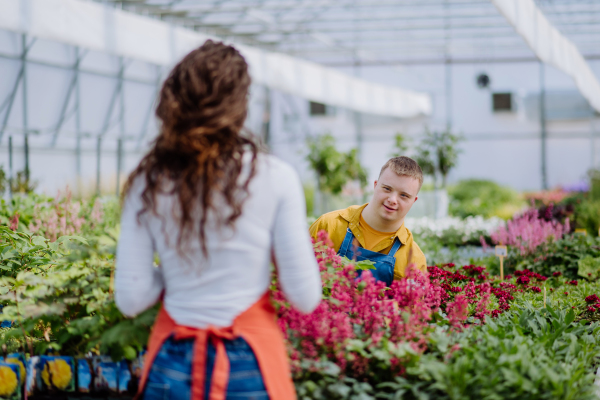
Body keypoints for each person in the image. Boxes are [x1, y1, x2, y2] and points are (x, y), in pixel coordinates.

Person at [115, 40, 322, 400]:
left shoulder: (148, 182)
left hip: (172, 364)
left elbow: (131, 298)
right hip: (249, 366)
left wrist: (178, 271)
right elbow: (304, 296)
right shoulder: (275, 177)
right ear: (240, 105)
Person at [309, 156, 426, 285]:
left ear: (413, 201)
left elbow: (414, 304)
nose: (393, 200)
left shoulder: (414, 259)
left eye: (404, 195)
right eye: (387, 189)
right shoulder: (328, 226)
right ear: (375, 186)